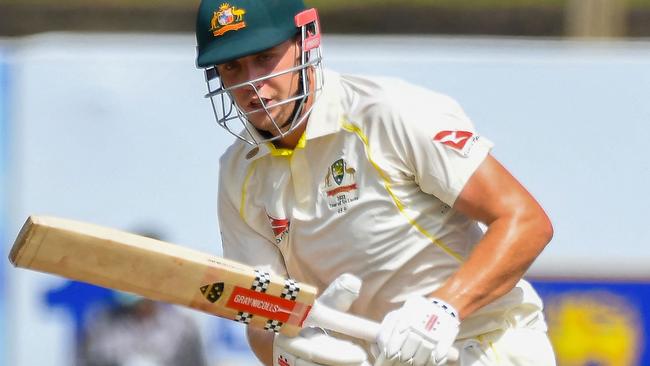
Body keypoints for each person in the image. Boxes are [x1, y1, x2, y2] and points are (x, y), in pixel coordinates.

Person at [195, 1, 556, 365]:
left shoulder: (387, 113)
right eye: (232, 66)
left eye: (265, 57)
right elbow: (264, 312)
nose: (252, 83)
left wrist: (443, 309)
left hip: (482, 345)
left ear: (306, 40)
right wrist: (286, 351)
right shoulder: (238, 172)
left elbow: (524, 221)